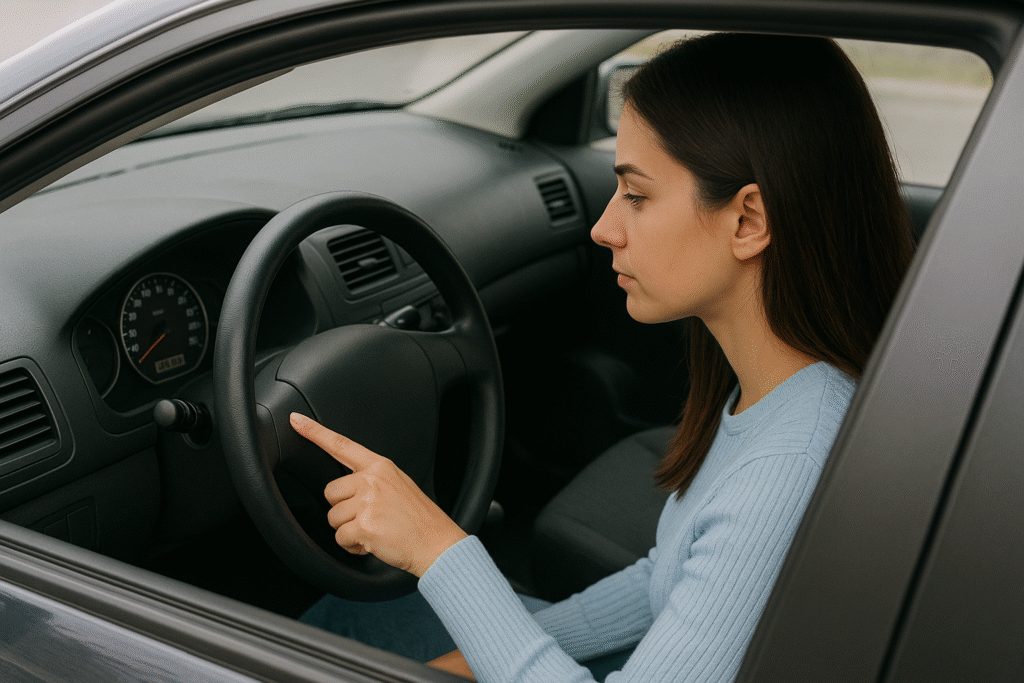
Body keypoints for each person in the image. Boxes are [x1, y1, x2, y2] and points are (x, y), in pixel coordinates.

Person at [291, 32, 915, 682]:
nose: (603, 227)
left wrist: (437, 549)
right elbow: (664, 578)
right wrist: (478, 656)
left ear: (748, 220)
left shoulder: (787, 468)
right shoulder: (778, 393)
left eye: (637, 196)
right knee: (349, 618)